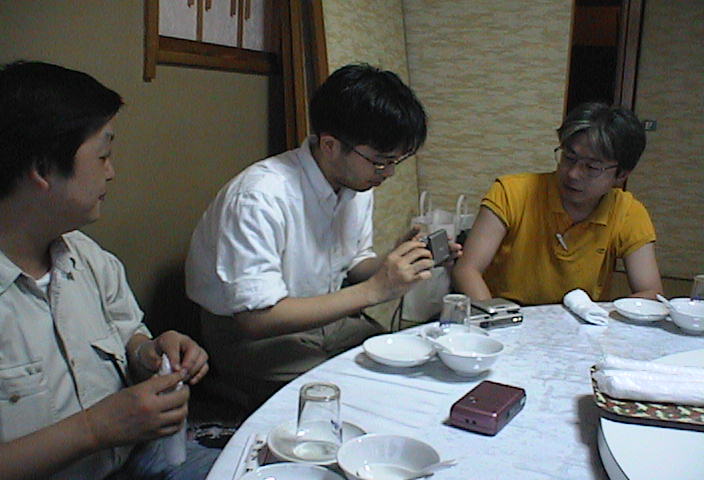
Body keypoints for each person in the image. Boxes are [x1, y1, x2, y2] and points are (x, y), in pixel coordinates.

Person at [0, 61, 218, 480]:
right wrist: (95, 429)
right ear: (42, 169)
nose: (111, 172)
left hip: (134, 460)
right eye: (102, 156)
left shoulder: (87, 258)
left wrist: (150, 353)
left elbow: (126, 335)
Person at [185, 63, 443, 413]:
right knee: (350, 400)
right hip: (251, 335)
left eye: (396, 161)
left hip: (328, 319)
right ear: (330, 145)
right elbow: (256, 320)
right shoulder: (260, 197)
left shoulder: (357, 183)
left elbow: (354, 263)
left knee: (410, 369)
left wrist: (395, 263)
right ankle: (230, 392)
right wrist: (375, 290)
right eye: (380, 162)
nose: (389, 173)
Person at [452, 102, 663, 305]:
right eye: (569, 157)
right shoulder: (510, 192)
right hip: (508, 315)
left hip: (581, 323)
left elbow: (651, 292)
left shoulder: (627, 212)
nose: (573, 174)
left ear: (622, 174)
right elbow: (467, 270)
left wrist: (602, 317)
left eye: (591, 167)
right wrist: (496, 318)